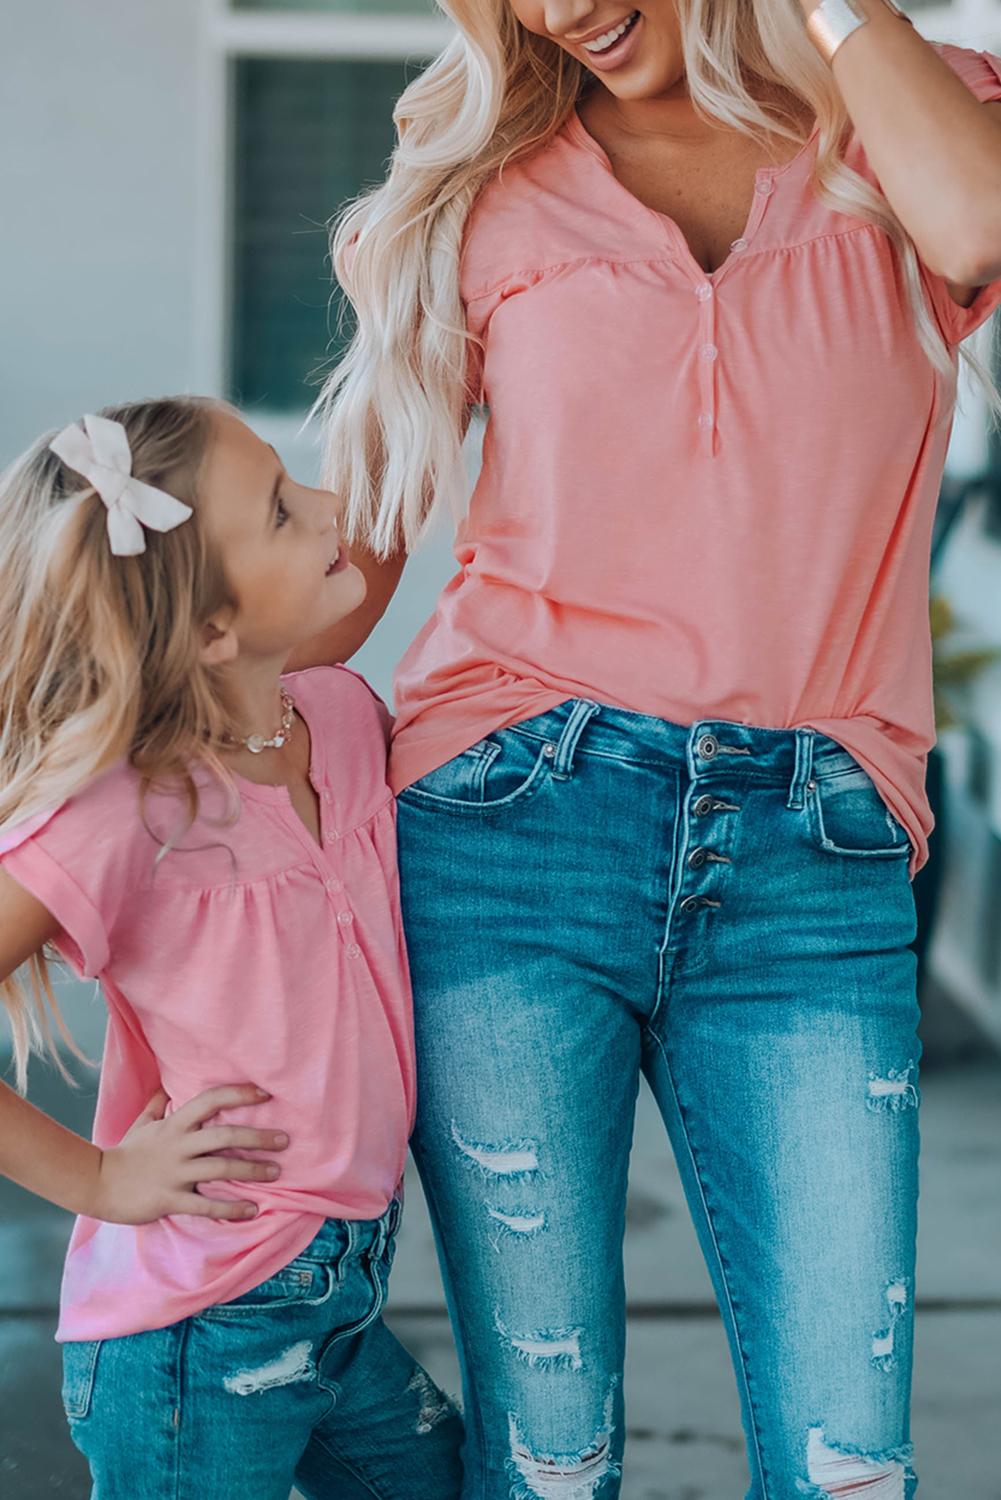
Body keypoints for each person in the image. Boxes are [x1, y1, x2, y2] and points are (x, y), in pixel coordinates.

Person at [309, 2, 1001, 1497]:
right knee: (549, 1461)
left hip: (814, 863)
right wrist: (126, 689)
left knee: (849, 1466)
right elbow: (357, 556)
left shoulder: (903, 117)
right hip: (507, 822)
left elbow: (980, 221)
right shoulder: (482, 187)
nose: (557, 9)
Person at [0, 398, 463, 1499]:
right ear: (211, 630)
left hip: (335, 1297)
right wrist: (103, 1177)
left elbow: (349, 585)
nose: (325, 506)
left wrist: (432, 384)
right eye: (281, 509)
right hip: (196, 1335)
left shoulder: (340, 720)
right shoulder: (127, 810)